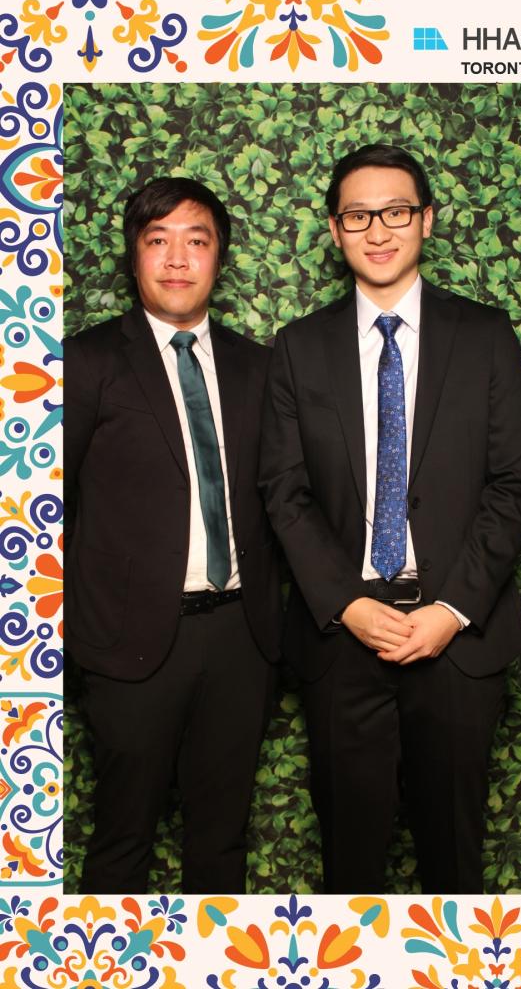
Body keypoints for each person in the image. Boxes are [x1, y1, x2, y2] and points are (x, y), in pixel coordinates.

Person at [259, 143, 521, 893]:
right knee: (349, 865)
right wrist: (346, 603)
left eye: (396, 212)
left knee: (454, 863)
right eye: (358, 215)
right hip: (342, 642)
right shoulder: (298, 348)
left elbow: (512, 486)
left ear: (426, 221)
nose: (377, 230)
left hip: (457, 640)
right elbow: (284, 491)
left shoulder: (485, 336)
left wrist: (451, 611)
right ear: (334, 229)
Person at [64, 177, 282, 893]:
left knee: (221, 841)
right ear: (134, 257)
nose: (178, 259)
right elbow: (43, 508)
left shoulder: (258, 367)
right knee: (122, 838)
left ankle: (213, 952)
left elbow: (286, 499)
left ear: (220, 258)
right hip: (128, 643)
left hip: (240, 638)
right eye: (158, 241)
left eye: (197, 241)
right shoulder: (85, 362)